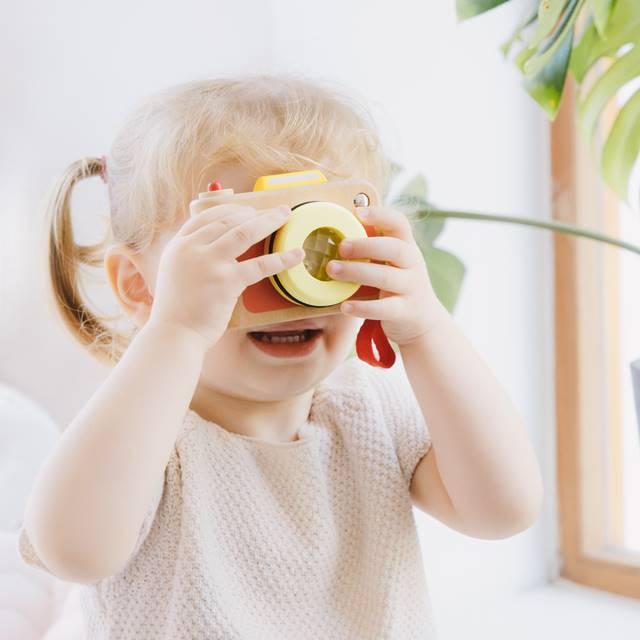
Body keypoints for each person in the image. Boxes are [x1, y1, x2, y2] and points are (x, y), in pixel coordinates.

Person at [18, 73, 543, 639]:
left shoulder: (368, 411)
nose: (289, 277)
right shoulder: (143, 437)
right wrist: (178, 330)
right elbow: (75, 550)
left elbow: (503, 509)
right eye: (238, 241)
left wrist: (427, 333)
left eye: (323, 235)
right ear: (141, 286)